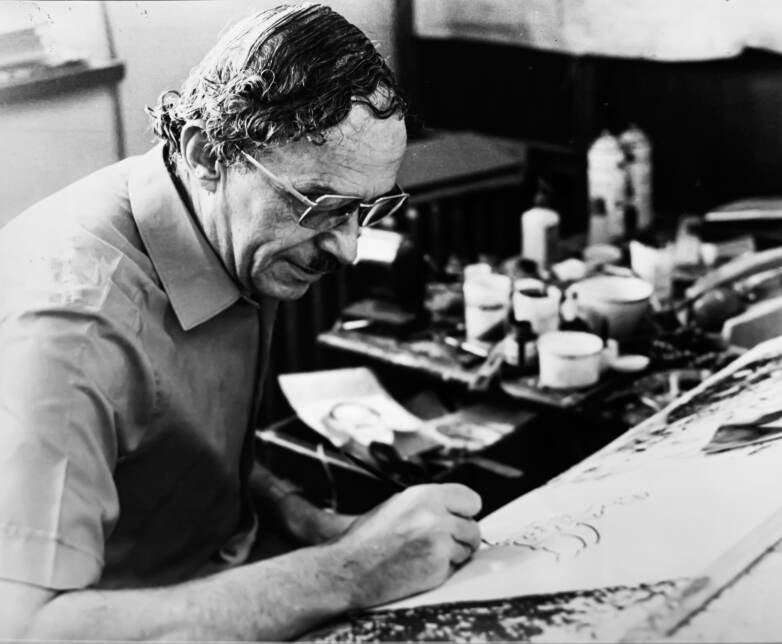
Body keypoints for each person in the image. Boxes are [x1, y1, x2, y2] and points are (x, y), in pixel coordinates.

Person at [0, 4, 482, 640]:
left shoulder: (223, 219)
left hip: (218, 570)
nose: (347, 249)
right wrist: (351, 570)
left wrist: (302, 518)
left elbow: (166, 440)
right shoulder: (71, 331)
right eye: (323, 206)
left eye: (365, 211)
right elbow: (27, 630)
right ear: (207, 155)